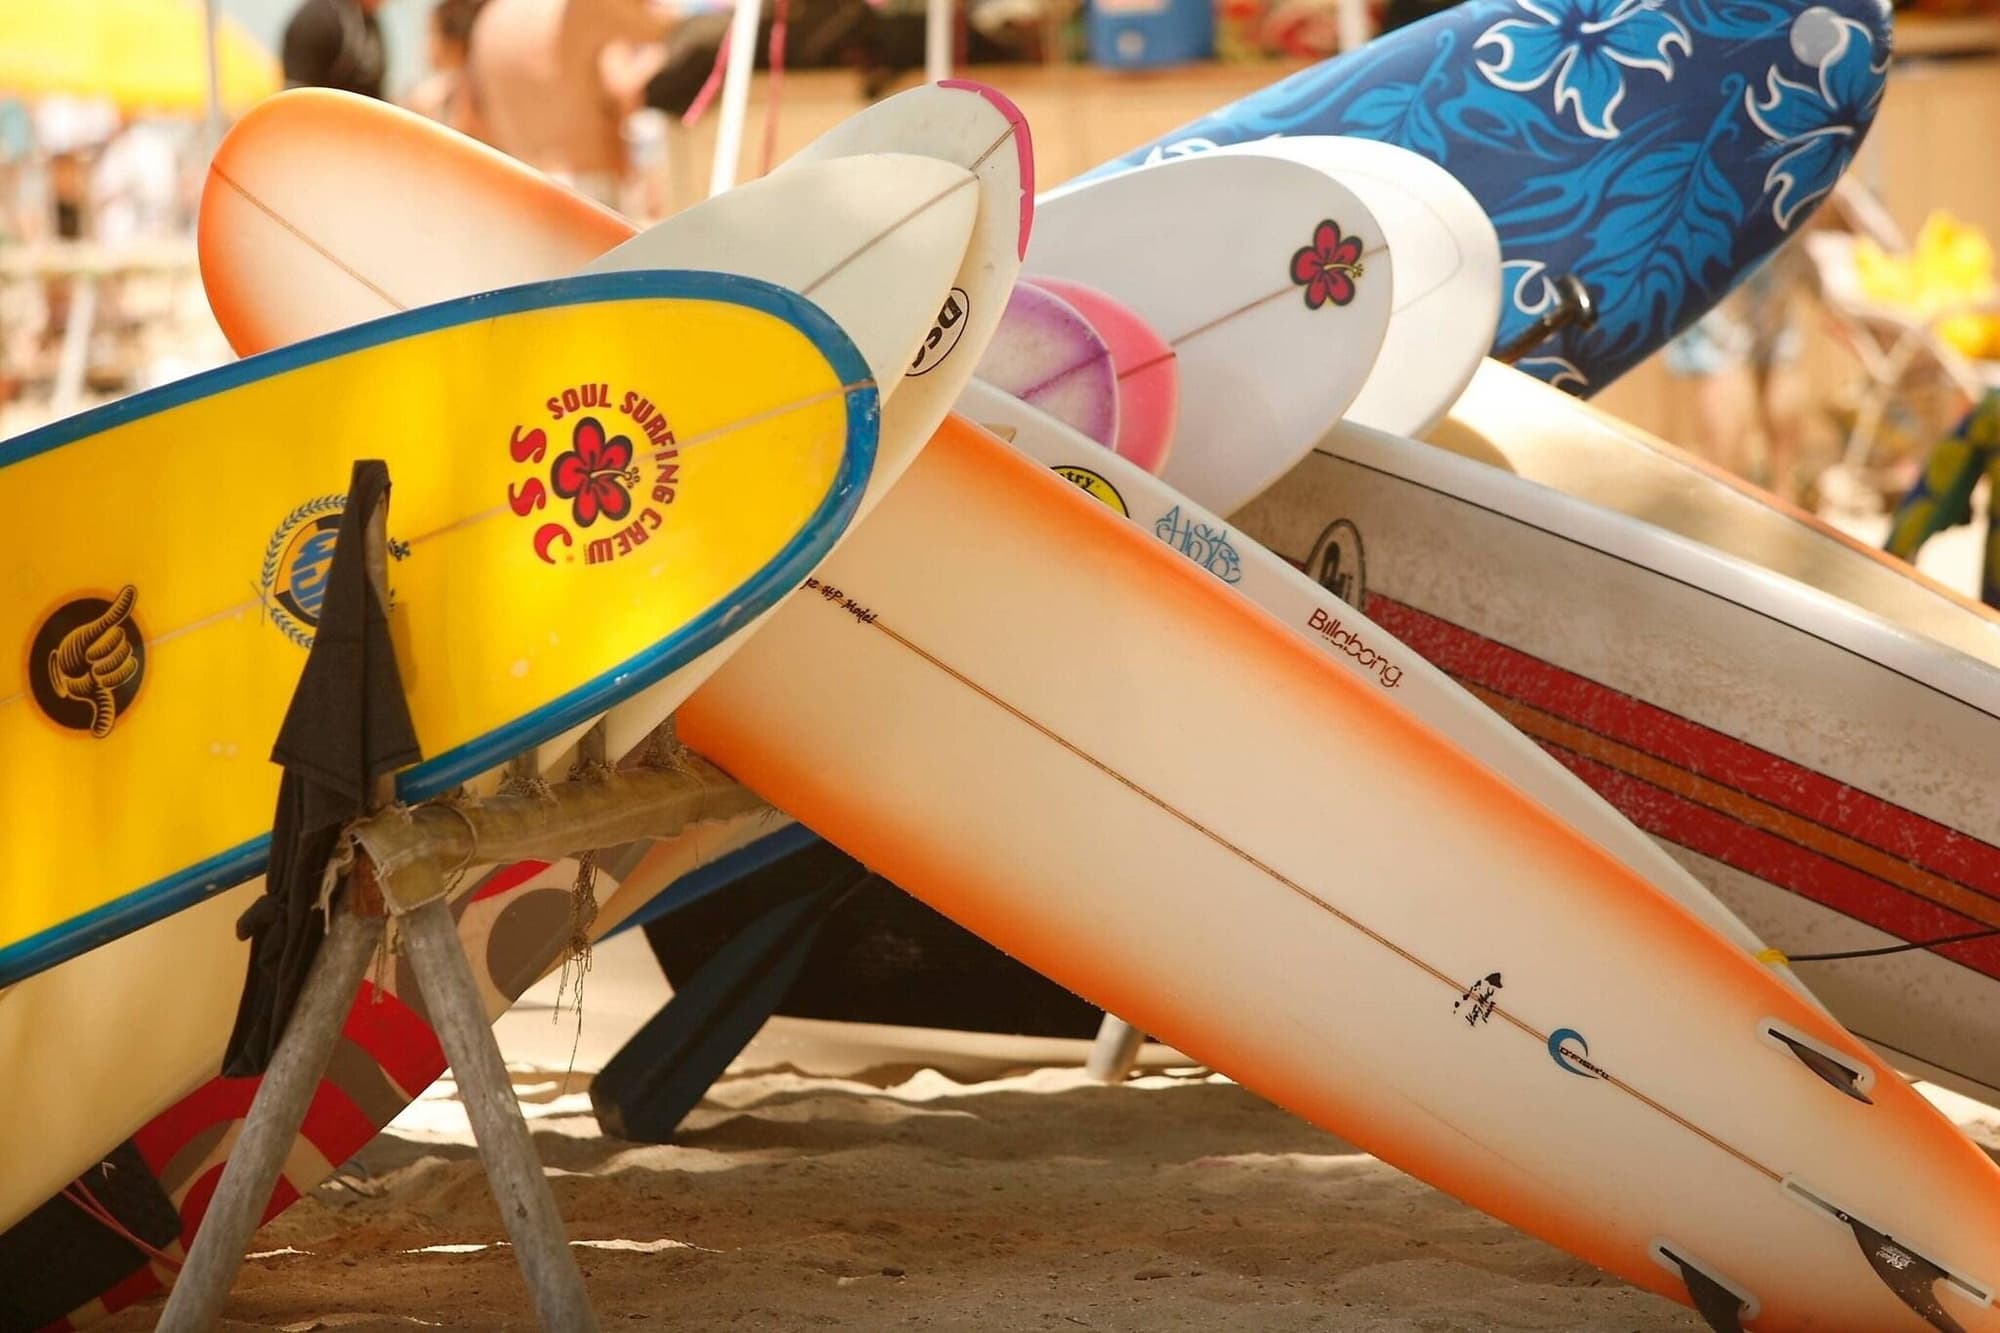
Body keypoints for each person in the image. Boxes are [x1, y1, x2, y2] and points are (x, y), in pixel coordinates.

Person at [466, 0, 670, 206]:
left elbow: (475, 120)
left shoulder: (488, 20)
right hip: (584, 186)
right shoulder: (577, 7)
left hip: (522, 187)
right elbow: (666, 32)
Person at [406, 0, 490, 138]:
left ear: (455, 44)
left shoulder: (430, 98)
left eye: (433, 33)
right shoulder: (431, 95)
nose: (426, 45)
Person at [282, 0, 391, 100]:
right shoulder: (318, 17)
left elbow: (374, 87)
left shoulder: (370, 21)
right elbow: (297, 90)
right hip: (321, 108)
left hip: (358, 110)